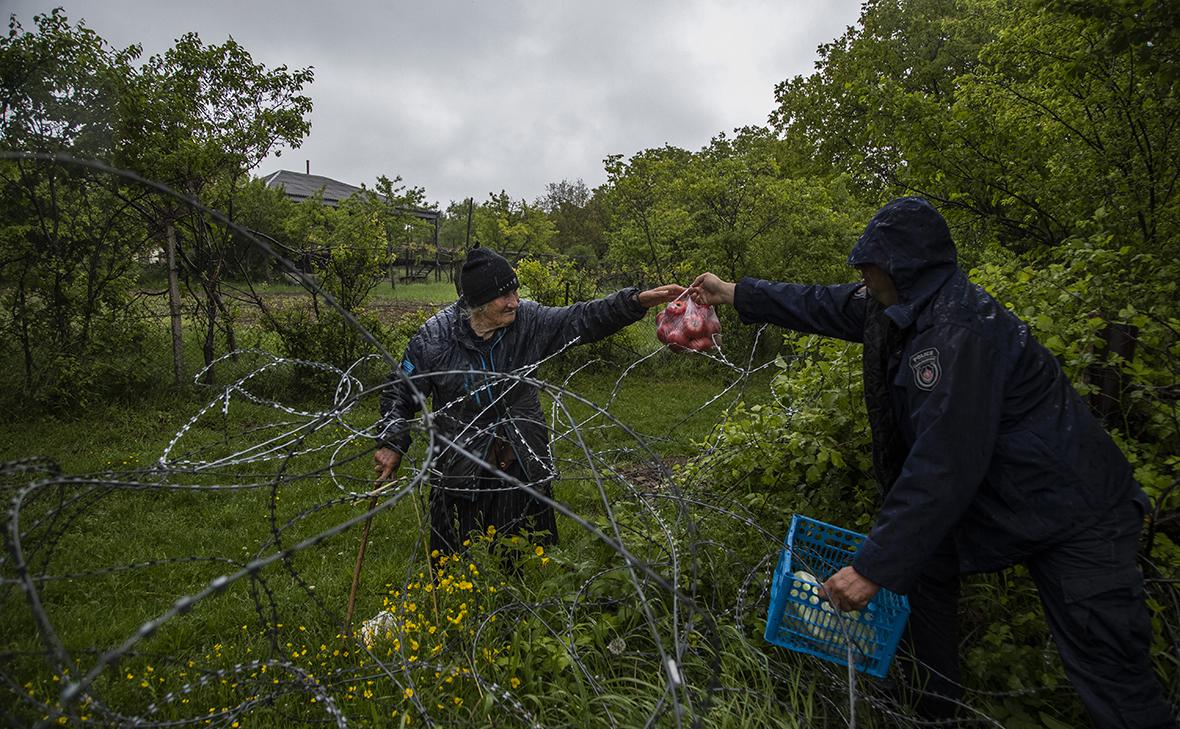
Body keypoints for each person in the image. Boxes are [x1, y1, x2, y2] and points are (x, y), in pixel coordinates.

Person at [689, 197, 1176, 727]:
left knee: (1109, 671)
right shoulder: (895, 304)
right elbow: (821, 303)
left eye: (872, 264)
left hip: (1078, 511)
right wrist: (734, 294)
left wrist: (873, 567)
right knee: (923, 573)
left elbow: (942, 462)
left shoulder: (959, 330)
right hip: (1006, 497)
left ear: (907, 265)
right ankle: (935, 713)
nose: (862, 273)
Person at [374, 245, 684, 556]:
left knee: (529, 561)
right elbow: (401, 390)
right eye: (503, 296)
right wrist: (392, 440)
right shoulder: (435, 339)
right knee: (459, 562)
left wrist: (634, 302)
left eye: (515, 290)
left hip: (522, 459)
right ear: (477, 302)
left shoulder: (528, 322)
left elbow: (581, 319)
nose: (514, 302)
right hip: (461, 470)